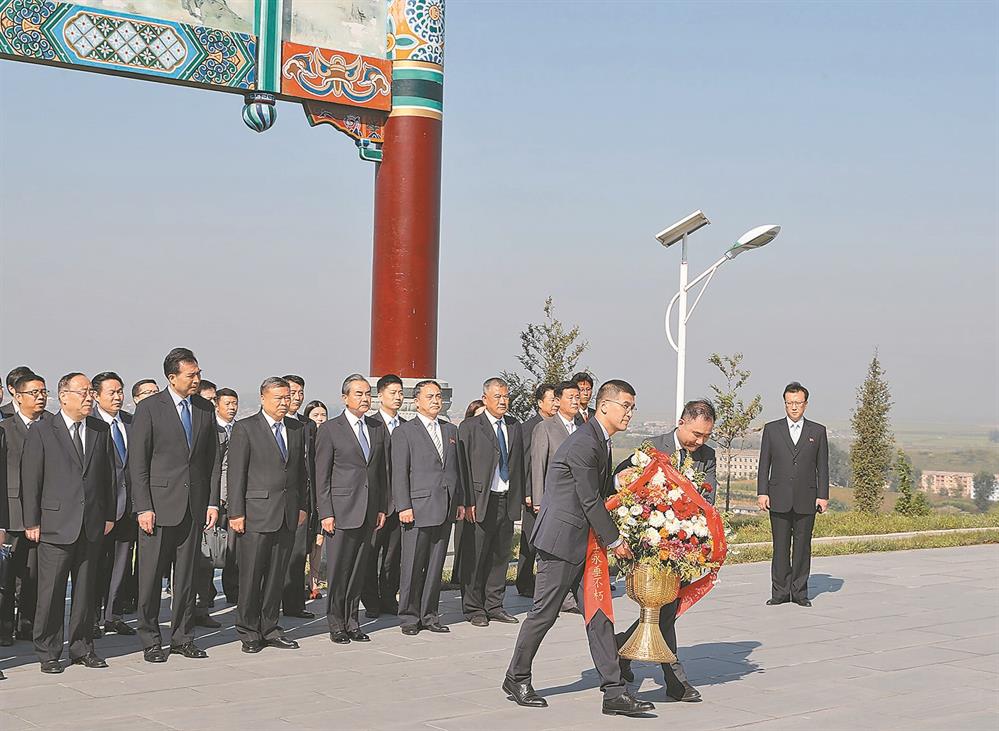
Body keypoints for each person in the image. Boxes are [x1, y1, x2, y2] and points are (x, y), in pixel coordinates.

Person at [504, 380, 654, 717]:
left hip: (584, 541)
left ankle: (614, 692)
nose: (629, 413)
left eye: (632, 407)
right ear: (604, 406)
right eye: (625, 405)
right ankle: (516, 677)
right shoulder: (586, 441)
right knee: (544, 614)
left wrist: (619, 483)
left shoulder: (599, 439)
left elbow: (593, 489)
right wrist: (616, 541)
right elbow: (589, 499)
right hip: (561, 542)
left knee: (598, 615)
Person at [615, 398, 718, 702]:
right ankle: (675, 680)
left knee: (664, 608)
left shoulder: (708, 456)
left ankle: (622, 648)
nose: (700, 442)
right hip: (651, 542)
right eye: (696, 434)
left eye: (706, 436)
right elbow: (625, 482)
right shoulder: (653, 447)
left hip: (683, 543)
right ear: (681, 422)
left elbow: (707, 498)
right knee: (665, 607)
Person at [21, 373, 116, 673]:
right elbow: (31, 479)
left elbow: (109, 477)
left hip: (91, 524)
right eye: (83, 392)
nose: (89, 397)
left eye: (91, 392)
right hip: (54, 524)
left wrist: (109, 515)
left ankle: (82, 648)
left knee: (86, 591)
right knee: (51, 592)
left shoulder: (100, 429)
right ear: (63, 396)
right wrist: (31, 521)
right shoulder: (42, 430)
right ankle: (48, 651)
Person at [130, 347, 220, 663]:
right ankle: (151, 639)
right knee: (151, 578)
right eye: (191, 375)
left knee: (186, 578)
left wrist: (212, 502)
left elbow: (212, 460)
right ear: (172, 377)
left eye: (199, 373)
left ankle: (183, 638)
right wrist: (143, 506)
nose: (197, 379)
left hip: (193, 507)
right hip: (157, 508)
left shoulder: (204, 408)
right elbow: (138, 462)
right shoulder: (150, 408)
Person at [227, 377, 308, 653]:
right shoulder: (246, 428)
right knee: (251, 576)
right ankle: (248, 630)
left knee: (276, 576)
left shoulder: (296, 429)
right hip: (256, 514)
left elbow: (300, 473)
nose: (285, 402)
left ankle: (271, 627)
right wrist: (236, 513)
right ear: (263, 398)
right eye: (278, 398)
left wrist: (302, 506)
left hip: (287, 513)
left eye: (287, 397)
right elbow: (236, 474)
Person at [315, 375, 388, 644]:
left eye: (368, 393)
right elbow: (322, 475)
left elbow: (381, 471)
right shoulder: (330, 429)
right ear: (345, 397)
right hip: (341, 510)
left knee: (358, 570)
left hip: (368, 510)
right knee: (338, 571)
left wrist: (381, 507)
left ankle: (352, 622)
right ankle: (336, 623)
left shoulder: (376, 427)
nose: (365, 398)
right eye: (359, 393)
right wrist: (326, 512)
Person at [393, 380, 467, 635]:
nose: (436, 401)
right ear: (417, 402)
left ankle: (430, 615)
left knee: (435, 566)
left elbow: (457, 469)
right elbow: (399, 473)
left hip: (445, 507)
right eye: (430, 396)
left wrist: (459, 501)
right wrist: (403, 505)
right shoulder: (405, 432)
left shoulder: (450, 430)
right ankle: (409, 617)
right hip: (417, 507)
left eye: (438, 396)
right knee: (413, 566)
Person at [458, 377, 524, 626]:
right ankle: (473, 608)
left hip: (506, 498)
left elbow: (519, 464)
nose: (503, 401)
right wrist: (467, 501)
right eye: (497, 396)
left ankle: (494, 605)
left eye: (506, 396)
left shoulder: (514, 426)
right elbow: (463, 466)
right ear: (485, 399)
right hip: (480, 500)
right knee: (475, 556)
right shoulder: (471, 426)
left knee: (500, 555)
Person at [757, 382, 829, 608]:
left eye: (798, 403)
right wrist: (762, 492)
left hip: (807, 497)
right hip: (778, 496)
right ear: (785, 404)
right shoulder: (772, 429)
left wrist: (823, 495)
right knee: (780, 547)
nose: (794, 407)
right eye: (790, 403)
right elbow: (764, 463)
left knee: (802, 547)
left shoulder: (817, 431)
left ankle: (799, 592)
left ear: (805, 404)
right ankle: (779, 592)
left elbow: (822, 466)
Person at [0, 372, 48, 646]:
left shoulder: (52, 425)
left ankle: (27, 626)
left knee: (34, 575)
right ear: (17, 397)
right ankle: (4, 628)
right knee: (6, 576)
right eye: (34, 392)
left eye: (43, 392)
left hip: (43, 514)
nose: (40, 397)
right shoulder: (5, 429)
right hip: (12, 513)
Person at [529, 380, 584, 614]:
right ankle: (547, 599)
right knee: (551, 551)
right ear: (558, 400)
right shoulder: (546, 427)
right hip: (553, 501)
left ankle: (569, 597)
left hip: (578, 502)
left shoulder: (582, 427)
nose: (575, 401)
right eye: (570, 397)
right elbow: (538, 465)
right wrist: (539, 500)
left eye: (577, 396)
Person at [90, 372, 138, 639]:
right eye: (112, 392)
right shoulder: (90, 423)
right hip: (99, 509)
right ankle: (91, 617)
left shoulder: (131, 422)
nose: (118, 396)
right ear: (96, 395)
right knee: (95, 565)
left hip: (128, 507)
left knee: (121, 564)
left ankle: (113, 616)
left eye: (120, 391)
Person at [362, 375, 406, 618]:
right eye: (393, 393)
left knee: (393, 555)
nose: (398, 397)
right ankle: (370, 600)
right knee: (370, 555)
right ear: (380, 396)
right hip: (376, 503)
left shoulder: (407, 426)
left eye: (400, 393)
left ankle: (389, 598)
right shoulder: (370, 425)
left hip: (401, 503)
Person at [515, 383, 557, 598]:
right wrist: (528, 491)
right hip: (534, 494)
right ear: (540, 403)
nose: (556, 404)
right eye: (552, 399)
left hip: (552, 493)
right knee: (530, 540)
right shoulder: (530, 426)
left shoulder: (557, 426)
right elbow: (525, 462)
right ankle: (524, 582)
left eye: (557, 399)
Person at [281, 374, 316, 620]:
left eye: (300, 392)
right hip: (276, 498)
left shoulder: (308, 425)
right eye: (292, 392)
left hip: (302, 497)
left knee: (297, 552)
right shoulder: (275, 421)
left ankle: (294, 604)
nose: (297, 396)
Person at [214, 388, 240, 603]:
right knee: (210, 546)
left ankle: (233, 589)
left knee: (234, 547)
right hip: (216, 499)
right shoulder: (211, 430)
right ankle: (206, 594)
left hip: (236, 498)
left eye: (234, 403)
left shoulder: (240, 429)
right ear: (217, 405)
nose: (232, 408)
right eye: (227, 404)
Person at [303, 400, 327, 601]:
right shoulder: (306, 438)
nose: (320, 419)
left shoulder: (330, 437)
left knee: (319, 541)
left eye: (323, 415)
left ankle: (314, 582)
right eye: (315, 415)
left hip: (323, 497)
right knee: (304, 541)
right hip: (307, 498)